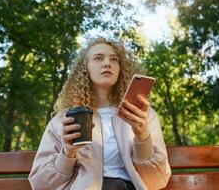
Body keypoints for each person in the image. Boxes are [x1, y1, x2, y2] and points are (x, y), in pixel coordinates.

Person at [28, 37, 171, 190]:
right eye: (98, 58)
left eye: (114, 59)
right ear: (85, 68)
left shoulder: (141, 114)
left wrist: (142, 136)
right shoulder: (64, 120)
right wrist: (67, 153)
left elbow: (157, 181)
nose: (107, 63)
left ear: (120, 68)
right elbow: (41, 184)